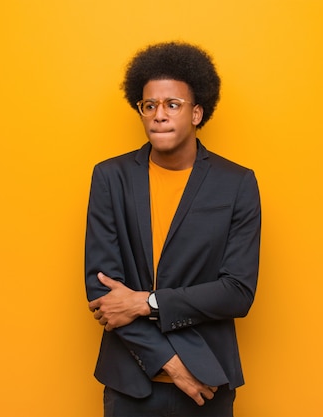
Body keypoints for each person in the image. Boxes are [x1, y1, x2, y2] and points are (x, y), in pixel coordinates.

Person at [85, 41, 261, 417]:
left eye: (172, 105)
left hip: (209, 383)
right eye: (149, 105)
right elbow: (104, 293)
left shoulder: (237, 183)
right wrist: (175, 366)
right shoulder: (109, 178)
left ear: (197, 113)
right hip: (130, 385)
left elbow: (237, 292)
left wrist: (145, 303)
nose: (158, 115)